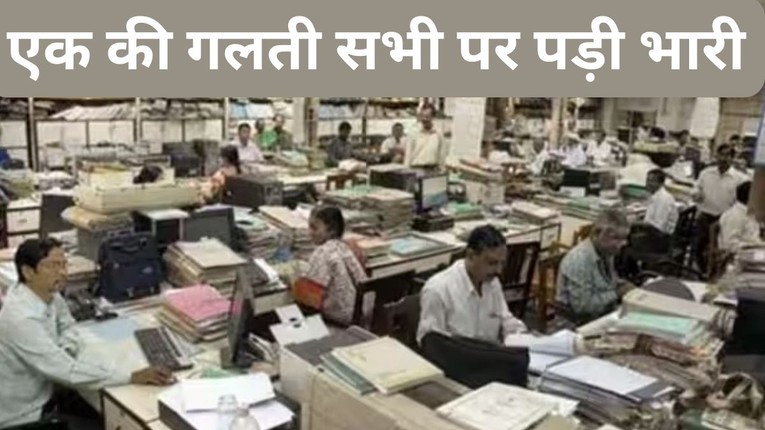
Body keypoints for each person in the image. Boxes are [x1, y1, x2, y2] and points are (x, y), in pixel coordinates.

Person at [0, 238, 174, 428]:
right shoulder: (21, 318)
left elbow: (67, 325)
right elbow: (67, 371)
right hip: (24, 414)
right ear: (27, 272)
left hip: (47, 390)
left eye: (64, 264)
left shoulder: (47, 292)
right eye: (52, 266)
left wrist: (65, 348)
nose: (62, 272)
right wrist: (132, 376)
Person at [417, 225, 527, 345]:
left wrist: (522, 335)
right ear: (471, 256)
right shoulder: (438, 290)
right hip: (456, 355)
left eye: (502, 263)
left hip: (489, 352)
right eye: (492, 263)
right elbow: (431, 343)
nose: (499, 271)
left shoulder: (492, 282)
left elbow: (505, 320)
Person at [556, 208, 632, 325]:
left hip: (603, 314)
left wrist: (620, 284)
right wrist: (616, 293)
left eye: (624, 238)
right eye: (616, 238)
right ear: (596, 233)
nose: (623, 244)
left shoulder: (606, 251)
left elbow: (604, 282)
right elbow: (582, 306)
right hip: (578, 322)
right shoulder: (579, 260)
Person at [303, 206, 368, 326]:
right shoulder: (344, 247)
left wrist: (293, 281)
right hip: (360, 317)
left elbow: (310, 297)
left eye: (314, 228)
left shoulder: (322, 252)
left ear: (331, 230)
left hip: (338, 321)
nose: (309, 232)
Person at [692, 143, 748, 270]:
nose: (723, 158)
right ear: (716, 156)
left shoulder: (740, 178)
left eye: (727, 155)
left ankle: (715, 272)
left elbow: (742, 201)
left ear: (732, 158)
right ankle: (702, 271)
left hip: (725, 219)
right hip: (705, 215)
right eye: (721, 155)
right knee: (700, 248)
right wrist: (696, 193)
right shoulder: (706, 173)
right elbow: (696, 187)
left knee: (720, 251)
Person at [718, 181, 762, 253]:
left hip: (755, 251)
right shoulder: (734, 215)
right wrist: (753, 246)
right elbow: (729, 244)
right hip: (740, 255)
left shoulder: (750, 213)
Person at [405, 105, 448, 170]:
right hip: (416, 169)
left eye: (427, 116)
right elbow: (408, 155)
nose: (424, 119)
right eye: (422, 116)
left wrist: (442, 169)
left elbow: (442, 154)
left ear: (433, 117)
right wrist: (406, 171)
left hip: (433, 170)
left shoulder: (438, 134)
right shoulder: (413, 133)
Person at [643, 168, 679, 236]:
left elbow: (658, 227)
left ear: (661, 183)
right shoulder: (656, 195)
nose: (648, 183)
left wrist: (637, 223)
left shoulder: (663, 198)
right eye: (647, 180)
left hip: (660, 236)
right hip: (653, 231)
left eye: (652, 181)